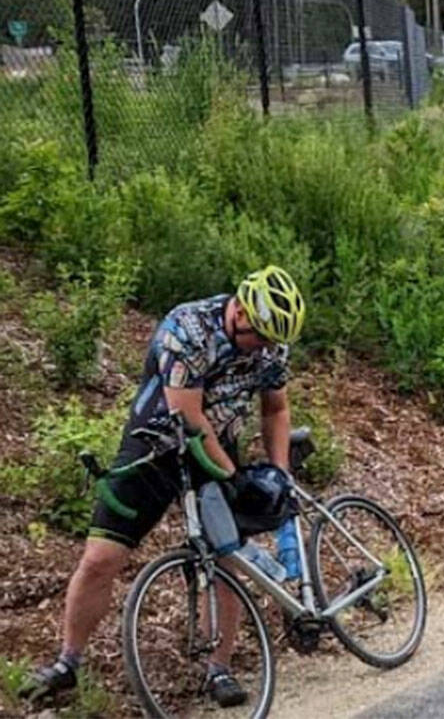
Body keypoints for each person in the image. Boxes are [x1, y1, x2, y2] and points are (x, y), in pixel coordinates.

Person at [18, 266, 307, 708]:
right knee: (101, 557)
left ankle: (219, 667)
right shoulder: (188, 328)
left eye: (272, 342)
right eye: (259, 337)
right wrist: (233, 477)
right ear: (240, 312)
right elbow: (189, 419)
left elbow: (276, 408)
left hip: (219, 443)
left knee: (226, 556)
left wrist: (278, 470)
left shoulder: (272, 347)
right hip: (157, 442)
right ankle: (67, 663)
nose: (265, 348)